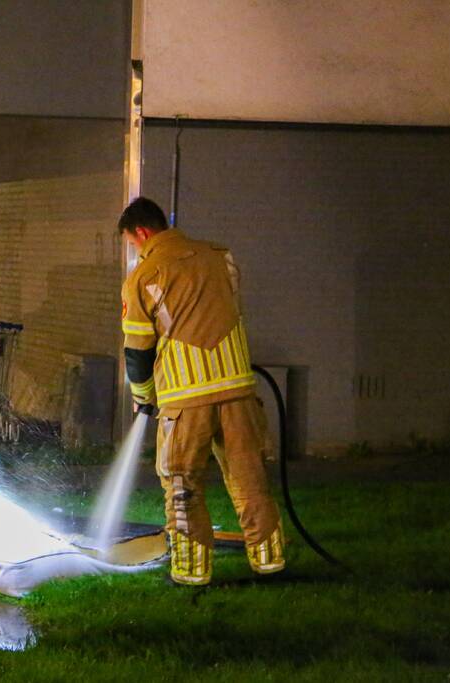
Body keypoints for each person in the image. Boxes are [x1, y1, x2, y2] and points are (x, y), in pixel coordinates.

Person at [118, 197, 285, 586]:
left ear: (142, 233)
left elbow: (138, 348)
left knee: (182, 484)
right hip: (239, 390)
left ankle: (191, 571)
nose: (134, 250)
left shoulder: (143, 276)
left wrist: (142, 395)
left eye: (132, 243)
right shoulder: (220, 257)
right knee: (249, 478)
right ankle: (269, 561)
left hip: (185, 398)